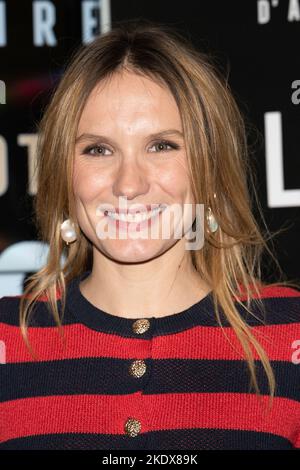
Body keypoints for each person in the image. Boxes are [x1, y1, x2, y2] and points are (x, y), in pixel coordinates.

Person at [1, 19, 300, 450]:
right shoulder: (7, 340)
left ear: (209, 169)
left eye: (161, 145)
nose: (128, 183)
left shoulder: (287, 335)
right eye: (98, 149)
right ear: (62, 177)